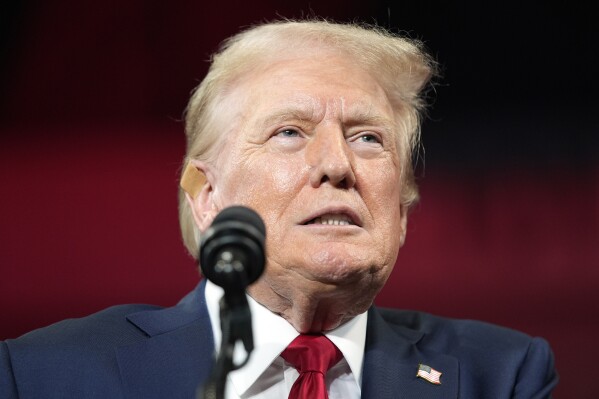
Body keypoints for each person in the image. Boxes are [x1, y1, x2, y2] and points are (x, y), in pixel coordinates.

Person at [0, 19, 557, 399]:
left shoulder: (501, 375)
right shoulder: (42, 376)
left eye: (368, 138)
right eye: (290, 132)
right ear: (206, 197)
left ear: (403, 207)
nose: (338, 165)